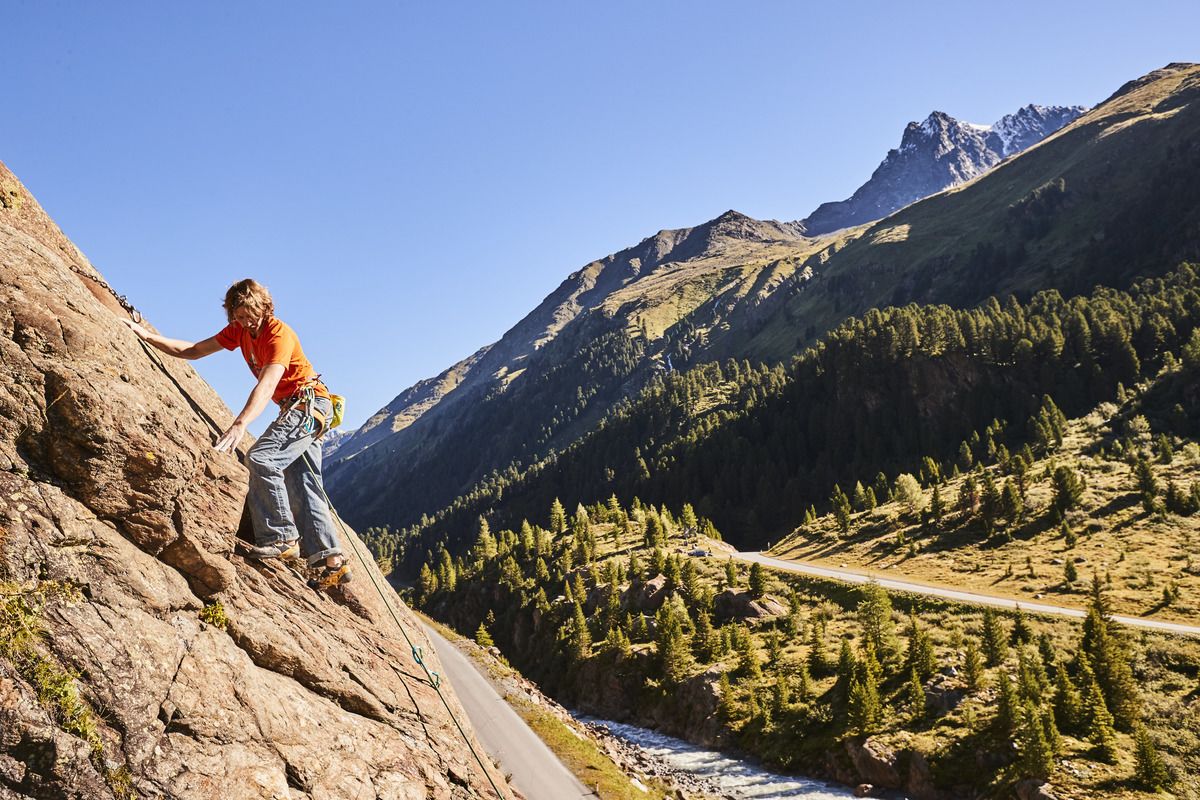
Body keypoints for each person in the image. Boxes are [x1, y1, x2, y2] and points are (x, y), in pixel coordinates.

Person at [122, 278, 351, 587]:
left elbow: (268, 383)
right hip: (302, 408)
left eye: (250, 313)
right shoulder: (239, 332)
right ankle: (332, 562)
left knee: (262, 458)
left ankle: (282, 535)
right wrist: (145, 335)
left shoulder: (278, 334)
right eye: (238, 316)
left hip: (308, 406)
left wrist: (241, 423)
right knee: (304, 482)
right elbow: (193, 349)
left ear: (265, 307)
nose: (245, 321)